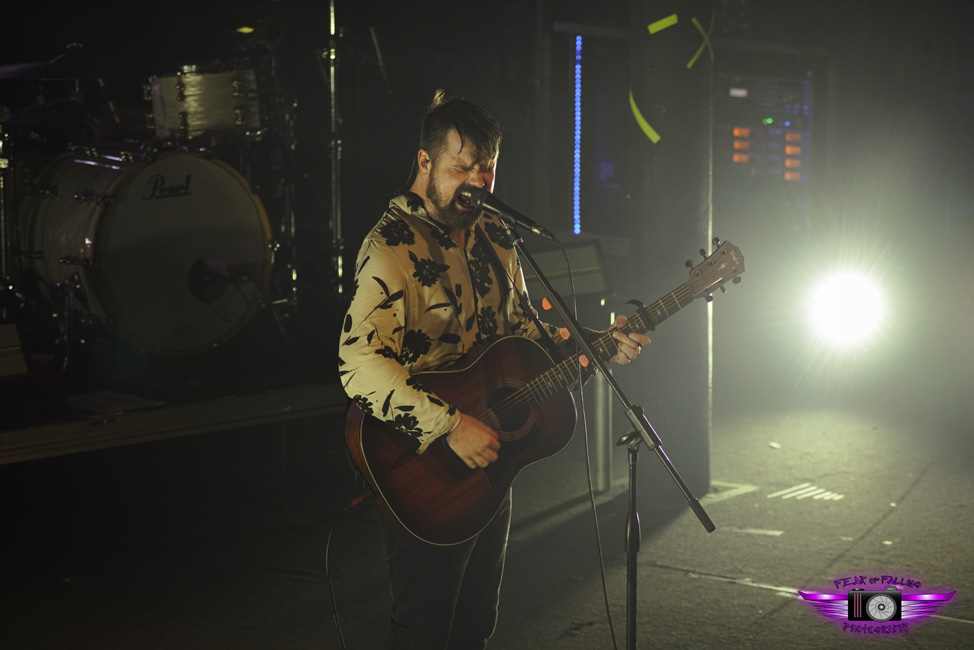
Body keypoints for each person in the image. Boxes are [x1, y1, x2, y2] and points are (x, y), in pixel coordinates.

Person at [338, 89, 649, 650]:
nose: (477, 185)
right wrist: (450, 426)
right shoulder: (390, 248)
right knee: (425, 632)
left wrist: (596, 343)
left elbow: (524, 331)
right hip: (423, 464)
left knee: (475, 628)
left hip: (491, 466)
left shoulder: (495, 237)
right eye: (462, 170)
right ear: (425, 162)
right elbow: (358, 364)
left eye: (487, 171)